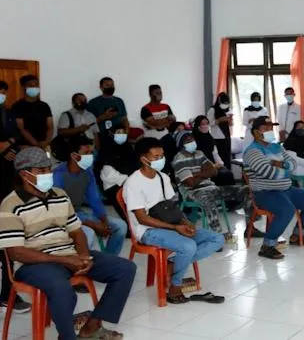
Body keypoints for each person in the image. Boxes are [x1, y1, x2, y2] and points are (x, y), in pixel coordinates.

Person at [0, 147, 136, 340]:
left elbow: (76, 231)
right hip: (33, 264)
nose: (48, 174)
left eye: (49, 169)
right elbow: (16, 253)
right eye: (41, 171)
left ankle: (91, 327)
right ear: (24, 174)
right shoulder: (10, 205)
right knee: (62, 289)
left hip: (68, 254)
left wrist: (83, 256)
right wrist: (65, 260)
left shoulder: (60, 194)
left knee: (125, 269)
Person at [124, 137, 225, 304]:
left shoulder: (163, 177)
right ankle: (175, 286)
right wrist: (175, 227)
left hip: (171, 224)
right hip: (148, 230)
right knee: (188, 246)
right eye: (156, 157)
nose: (161, 159)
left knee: (217, 239)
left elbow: (171, 207)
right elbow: (142, 218)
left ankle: (172, 262)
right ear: (143, 159)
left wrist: (185, 222)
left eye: (162, 156)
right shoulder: (133, 183)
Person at [243, 117, 304, 259]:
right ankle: (268, 245)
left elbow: (293, 164)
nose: (270, 131)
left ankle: (297, 235)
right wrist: (285, 169)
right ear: (256, 132)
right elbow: (268, 173)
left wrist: (277, 164)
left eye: (271, 128)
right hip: (265, 193)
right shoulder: (252, 151)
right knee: (287, 210)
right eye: (265, 128)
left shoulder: (277, 147)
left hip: (286, 189)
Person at [53, 136, 127, 256]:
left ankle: (108, 259)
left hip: (79, 214)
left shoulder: (87, 171)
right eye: (86, 153)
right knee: (88, 233)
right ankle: (84, 263)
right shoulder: (58, 175)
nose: (90, 156)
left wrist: (104, 221)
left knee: (120, 226)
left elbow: (94, 199)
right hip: (62, 218)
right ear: (74, 156)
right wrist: (93, 224)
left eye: (91, 152)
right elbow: (60, 211)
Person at [173, 130, 249, 243]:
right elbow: (190, 183)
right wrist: (204, 173)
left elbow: (214, 171)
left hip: (211, 188)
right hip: (192, 192)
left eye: (192, 139)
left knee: (246, 189)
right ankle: (217, 236)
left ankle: (250, 226)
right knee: (206, 197)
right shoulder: (179, 160)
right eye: (188, 141)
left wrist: (197, 174)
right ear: (181, 144)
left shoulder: (199, 153)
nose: (192, 142)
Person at [0, 80, 30, 316]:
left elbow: (14, 137)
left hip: (5, 179)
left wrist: (10, 147)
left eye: (3, 92)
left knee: (5, 242)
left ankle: (6, 294)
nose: (1, 96)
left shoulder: (7, 113)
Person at [98, 127, 139, 221]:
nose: (122, 135)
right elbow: (107, 174)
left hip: (129, 184)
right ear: (112, 134)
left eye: (124, 133)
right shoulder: (107, 150)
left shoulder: (128, 149)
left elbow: (135, 167)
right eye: (118, 132)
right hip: (113, 187)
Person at [11, 74, 53, 149]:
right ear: (23, 87)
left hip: (44, 144)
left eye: (36, 85)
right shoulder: (17, 106)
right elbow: (21, 129)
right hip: (26, 145)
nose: (34, 87)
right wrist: (36, 144)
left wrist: (47, 142)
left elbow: (50, 127)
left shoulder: (44, 105)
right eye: (30, 85)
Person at [207, 92, 233, 169]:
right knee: (219, 159)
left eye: (227, 103)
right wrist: (219, 120)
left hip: (227, 137)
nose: (225, 105)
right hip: (217, 138)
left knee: (227, 159)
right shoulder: (212, 110)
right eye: (224, 103)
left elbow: (231, 124)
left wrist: (230, 120)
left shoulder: (228, 110)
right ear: (219, 101)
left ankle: (228, 173)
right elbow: (209, 123)